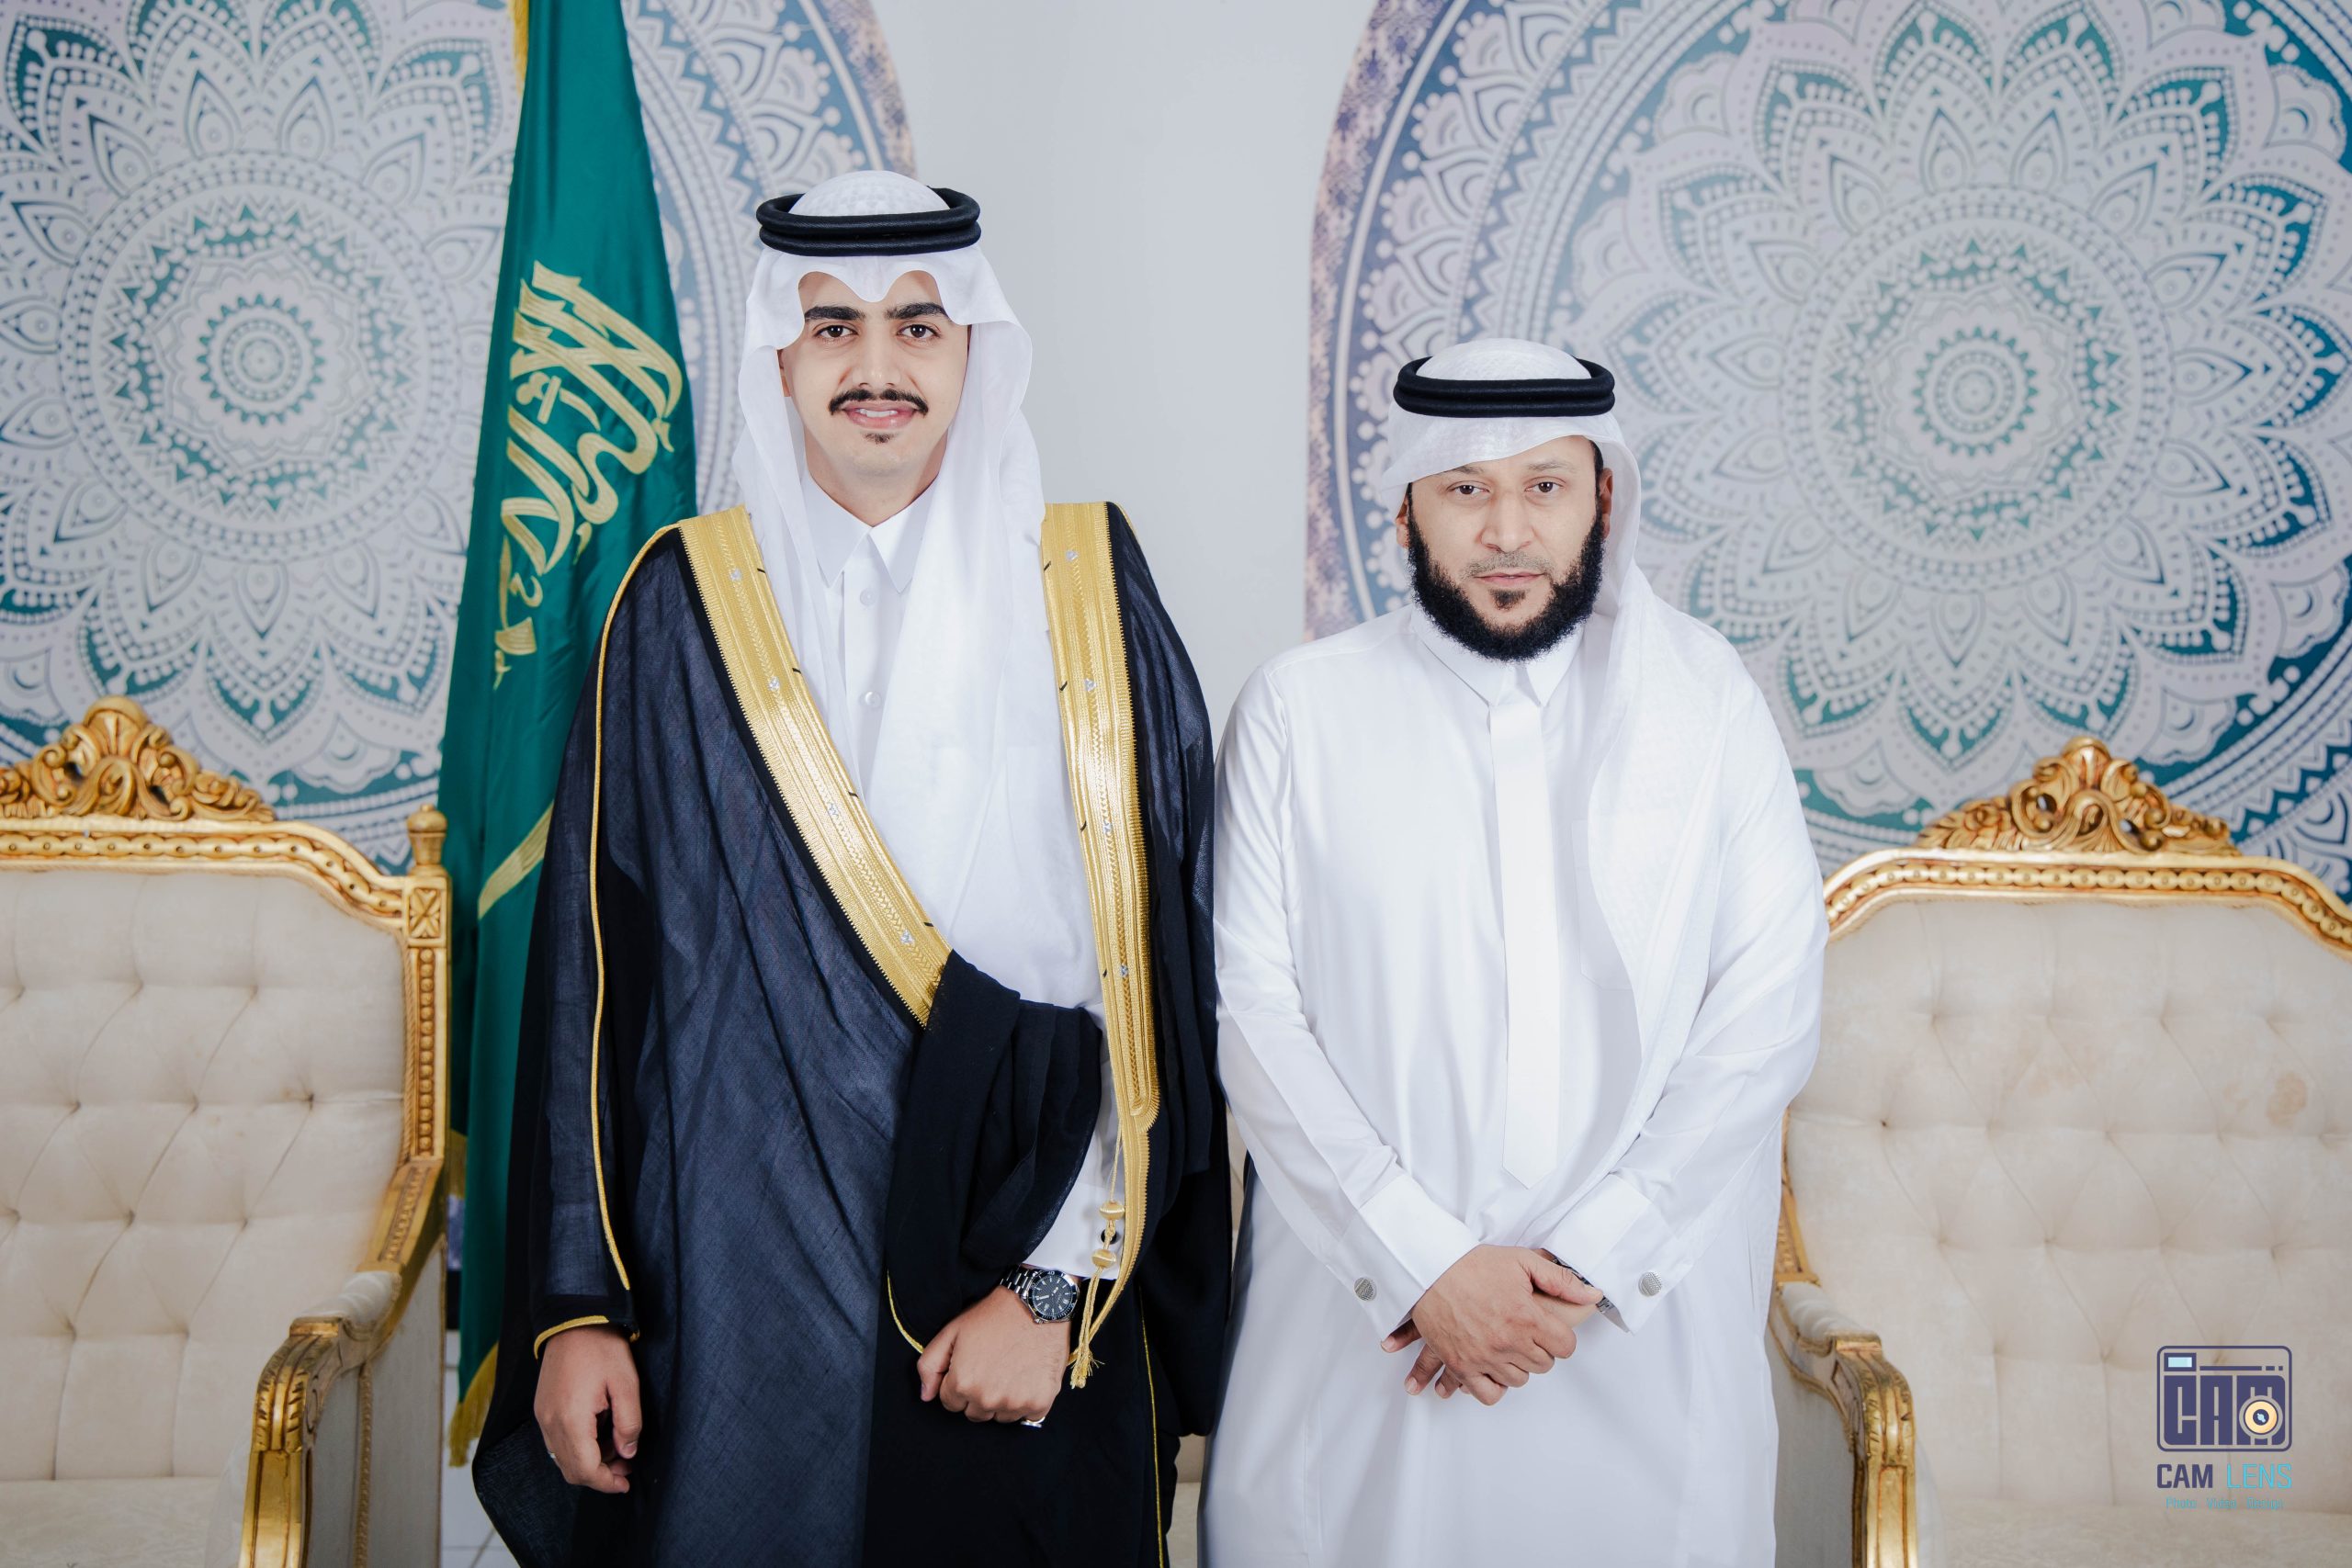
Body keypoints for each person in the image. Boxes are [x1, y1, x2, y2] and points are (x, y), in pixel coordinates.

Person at [470, 172, 1230, 1567]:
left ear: (974, 351)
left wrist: (1054, 1288)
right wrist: (581, 1308)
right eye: (833, 328)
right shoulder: (678, 601)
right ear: (780, 357)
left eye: (918, 327)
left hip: (1016, 1274)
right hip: (735, 1284)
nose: (877, 368)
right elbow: (592, 982)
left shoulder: (1086, 588)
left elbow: (1160, 986)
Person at [1203, 337, 1826, 1564]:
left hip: (1635, 1328)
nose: (1506, 532)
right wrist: (1422, 1263)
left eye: (1546, 487)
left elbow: (1768, 1007)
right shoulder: (1299, 709)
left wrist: (1592, 1256)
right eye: (1465, 490)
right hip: (1371, 1326)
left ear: (1604, 501)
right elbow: (1251, 1016)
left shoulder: (1705, 701)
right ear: (1406, 512)